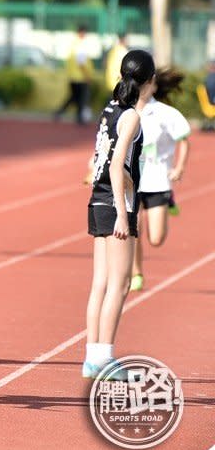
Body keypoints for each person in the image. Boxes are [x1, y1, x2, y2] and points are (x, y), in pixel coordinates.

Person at [83, 49, 154, 378]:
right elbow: (115, 163)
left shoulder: (110, 109)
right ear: (149, 83)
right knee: (120, 283)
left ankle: (92, 356)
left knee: (100, 282)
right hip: (116, 204)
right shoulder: (132, 117)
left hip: (97, 199)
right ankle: (105, 358)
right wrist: (125, 216)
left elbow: (101, 156)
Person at [130, 69, 190, 292]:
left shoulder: (166, 114)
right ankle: (136, 272)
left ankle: (169, 200)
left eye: (148, 83)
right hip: (133, 181)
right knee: (133, 226)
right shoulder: (126, 111)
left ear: (154, 86)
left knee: (156, 239)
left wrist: (179, 167)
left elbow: (184, 140)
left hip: (157, 181)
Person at [54, 25, 95, 125]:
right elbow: (81, 63)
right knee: (81, 98)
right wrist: (87, 76)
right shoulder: (80, 45)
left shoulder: (74, 44)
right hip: (80, 77)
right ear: (81, 33)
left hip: (73, 76)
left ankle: (60, 112)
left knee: (73, 97)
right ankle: (80, 117)